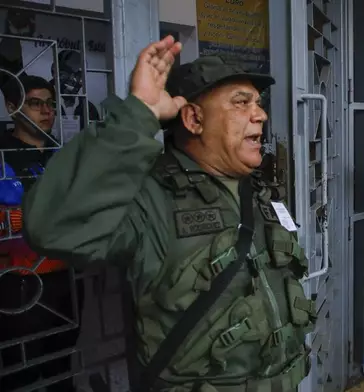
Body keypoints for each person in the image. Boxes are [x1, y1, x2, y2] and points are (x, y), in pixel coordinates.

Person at [22, 36, 314, 391]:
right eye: (241, 102)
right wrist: (138, 115)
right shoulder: (149, 196)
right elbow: (52, 227)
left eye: (258, 102)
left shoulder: (260, 190)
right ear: (193, 119)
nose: (261, 114)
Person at [0, 75, 83, 391]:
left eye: (50, 103)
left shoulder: (60, 154)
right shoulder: (3, 156)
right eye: (35, 103)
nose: (47, 111)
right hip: (18, 279)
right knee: (21, 370)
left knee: (62, 364)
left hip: (66, 278)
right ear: (12, 107)